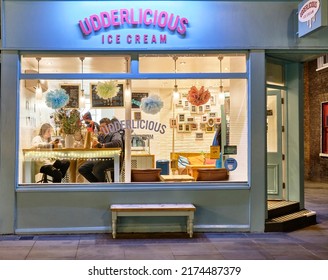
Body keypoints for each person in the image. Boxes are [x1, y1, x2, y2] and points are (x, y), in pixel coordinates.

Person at [78, 117, 124, 182]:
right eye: (100, 126)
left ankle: (102, 187)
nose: (101, 128)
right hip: (101, 158)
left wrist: (102, 145)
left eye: (103, 126)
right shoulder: (100, 136)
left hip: (112, 159)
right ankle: (100, 184)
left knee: (97, 168)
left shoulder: (115, 134)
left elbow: (117, 143)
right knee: (82, 169)